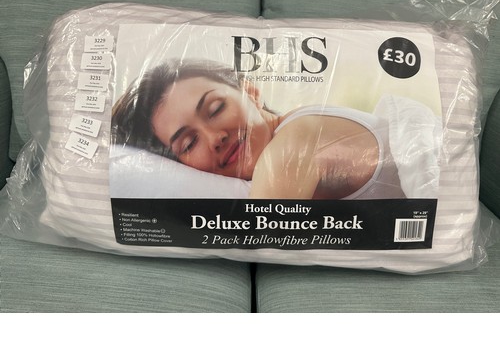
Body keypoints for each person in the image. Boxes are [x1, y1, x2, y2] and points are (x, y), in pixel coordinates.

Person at [111, 58, 407, 200]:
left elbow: (261, 237)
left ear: (250, 92)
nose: (215, 138)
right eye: (189, 144)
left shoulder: (294, 140)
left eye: (216, 109)